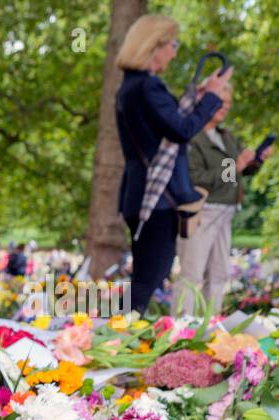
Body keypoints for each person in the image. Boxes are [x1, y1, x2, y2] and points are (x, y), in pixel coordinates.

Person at [114, 14, 229, 314]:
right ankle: (114, 344)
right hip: (158, 200)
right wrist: (213, 98)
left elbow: (169, 121)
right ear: (155, 45)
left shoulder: (131, 87)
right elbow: (182, 129)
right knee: (146, 283)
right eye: (173, 44)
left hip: (139, 195)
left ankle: (117, 340)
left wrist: (201, 95)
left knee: (145, 278)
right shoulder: (147, 87)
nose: (175, 52)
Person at [174, 83, 272, 315]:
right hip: (201, 212)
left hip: (226, 212)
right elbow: (197, 178)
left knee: (219, 273)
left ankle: (210, 327)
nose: (225, 108)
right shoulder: (193, 137)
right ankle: (181, 327)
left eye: (228, 104)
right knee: (192, 273)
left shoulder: (225, 137)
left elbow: (235, 172)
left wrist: (255, 161)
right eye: (221, 103)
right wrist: (234, 167)